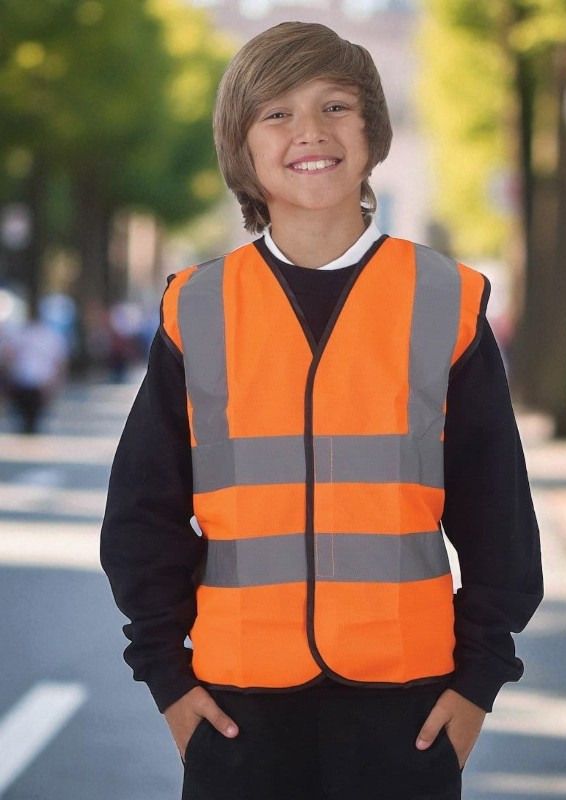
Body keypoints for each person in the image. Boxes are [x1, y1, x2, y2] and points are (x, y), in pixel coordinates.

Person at [100, 21, 543, 800]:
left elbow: (499, 517)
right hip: (237, 712)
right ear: (241, 148)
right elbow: (141, 515)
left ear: (373, 134)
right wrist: (168, 682)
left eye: (336, 107)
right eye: (275, 113)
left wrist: (477, 686)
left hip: (408, 712)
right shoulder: (193, 308)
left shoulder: (448, 300)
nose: (309, 132)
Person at [0, 307, 69, 434]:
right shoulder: (46, 335)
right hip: (28, 381)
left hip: (33, 381)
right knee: (27, 416)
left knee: (30, 417)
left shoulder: (31, 334)